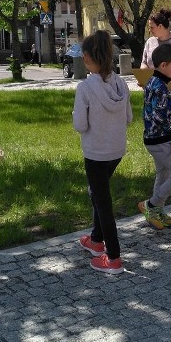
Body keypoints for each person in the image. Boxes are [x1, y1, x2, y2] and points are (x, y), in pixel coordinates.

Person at [73, 30, 133, 275]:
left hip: (96, 152)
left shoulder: (85, 88)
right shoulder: (121, 84)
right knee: (99, 194)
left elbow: (80, 125)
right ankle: (96, 240)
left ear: (87, 57)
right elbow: (128, 118)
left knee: (102, 201)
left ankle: (114, 257)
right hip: (116, 150)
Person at [137, 43, 171, 230]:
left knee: (163, 174)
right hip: (160, 140)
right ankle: (150, 205)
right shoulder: (163, 88)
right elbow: (160, 116)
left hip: (152, 139)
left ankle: (158, 212)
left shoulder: (152, 82)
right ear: (164, 66)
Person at [140, 8, 171, 154]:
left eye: (152, 27)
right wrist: (142, 77)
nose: (150, 30)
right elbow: (144, 62)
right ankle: (164, 144)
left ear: (161, 26)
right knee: (159, 113)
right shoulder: (150, 42)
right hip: (156, 85)